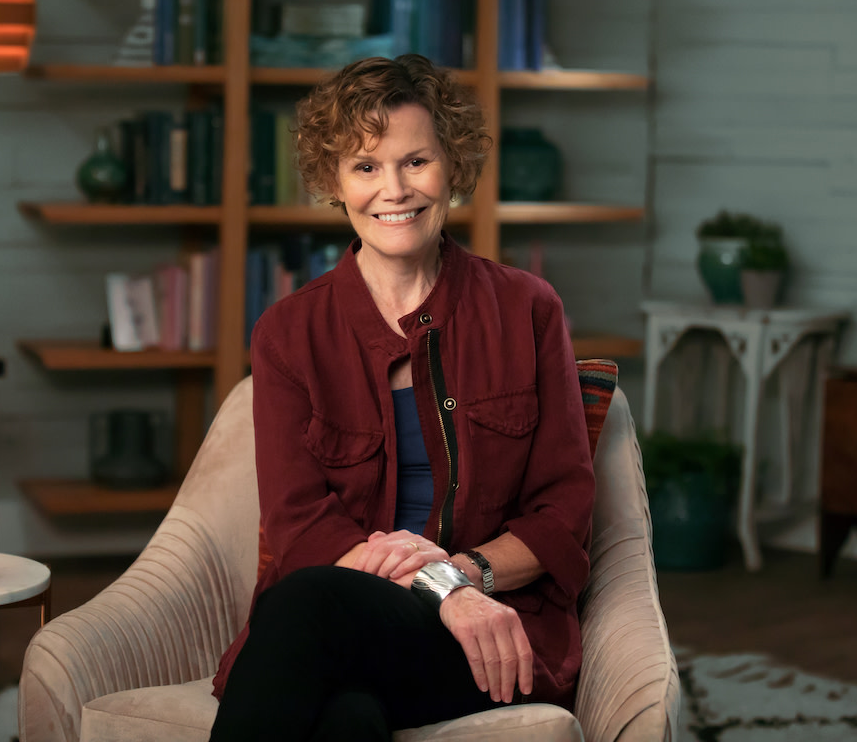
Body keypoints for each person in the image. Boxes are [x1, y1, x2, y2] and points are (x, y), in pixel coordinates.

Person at [209, 54, 595, 741]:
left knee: (305, 610)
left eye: (416, 161)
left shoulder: (527, 309)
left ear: (454, 166)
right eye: (365, 167)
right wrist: (437, 591)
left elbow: (564, 513)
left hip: (488, 634)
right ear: (334, 182)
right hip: (349, 616)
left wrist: (463, 580)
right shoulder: (288, 334)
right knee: (347, 719)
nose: (394, 189)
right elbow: (302, 528)